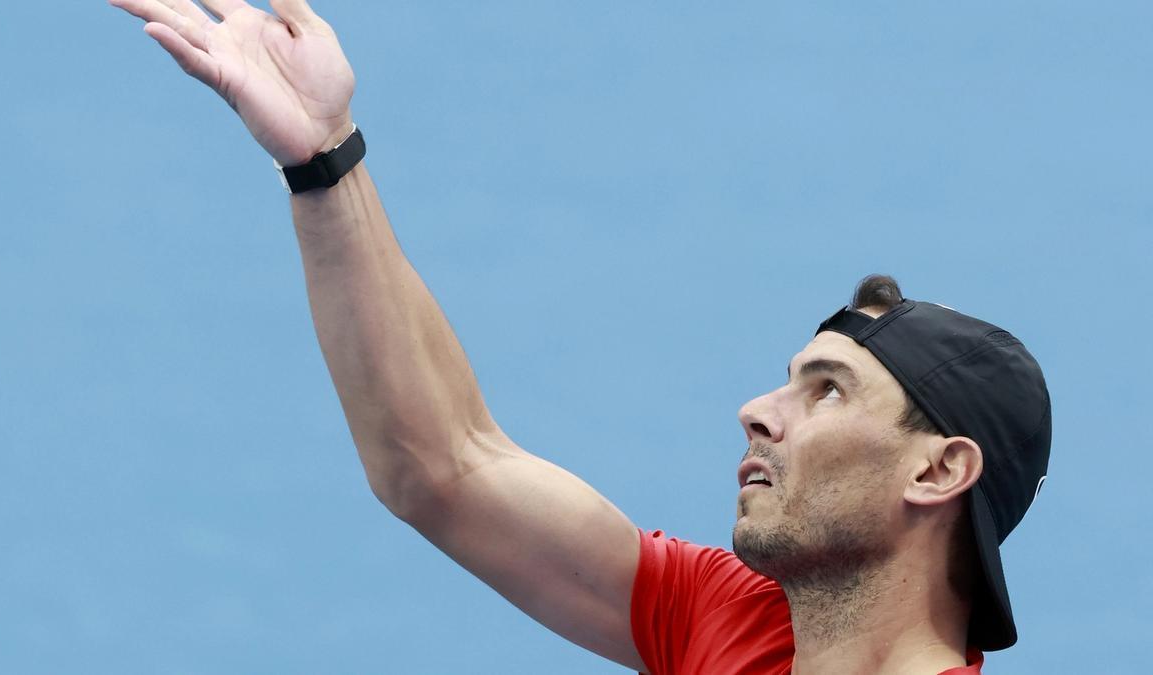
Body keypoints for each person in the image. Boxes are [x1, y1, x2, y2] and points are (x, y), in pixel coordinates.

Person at [109, 2, 1053, 673]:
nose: (758, 413)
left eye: (829, 390)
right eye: (789, 379)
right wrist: (325, 161)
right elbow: (443, 464)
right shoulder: (724, 620)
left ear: (937, 471)